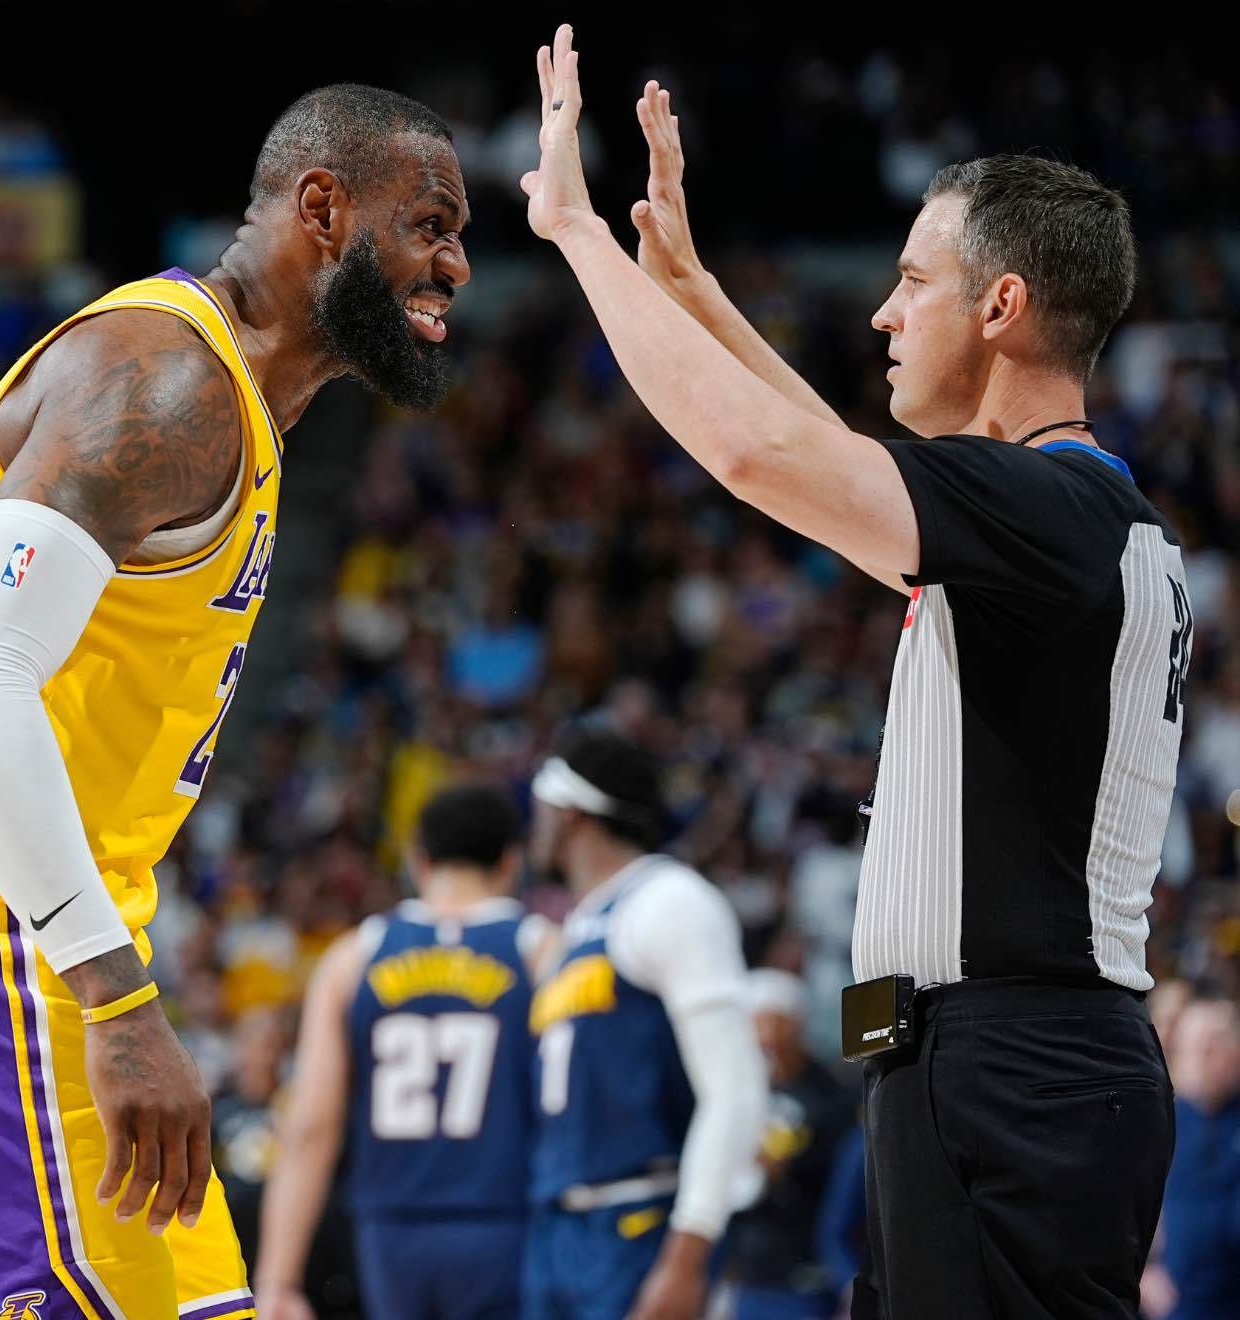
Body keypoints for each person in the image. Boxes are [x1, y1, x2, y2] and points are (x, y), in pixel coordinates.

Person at [522, 24, 1183, 1317]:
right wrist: (695, 295)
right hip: (999, 1066)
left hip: (1012, 1065)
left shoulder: (1044, 514)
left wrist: (577, 237)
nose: (883, 312)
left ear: (1002, 308)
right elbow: (825, 470)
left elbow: (764, 460)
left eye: (912, 281)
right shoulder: (1070, 525)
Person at [0, 82, 471, 1319]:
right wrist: (119, 994)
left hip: (47, 945)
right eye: (430, 223)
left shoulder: (240, 410)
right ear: (323, 207)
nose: (455, 264)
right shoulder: (165, 379)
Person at [254, 783, 547, 1319]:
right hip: (504, 1218)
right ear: (511, 861)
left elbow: (311, 1124)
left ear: (419, 859)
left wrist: (278, 1279)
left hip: (389, 1228)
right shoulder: (541, 950)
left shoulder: (352, 958)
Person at [525, 729, 767, 1320]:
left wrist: (686, 1258)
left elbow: (735, 1088)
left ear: (571, 812)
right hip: (561, 1226)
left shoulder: (669, 901)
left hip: (641, 1219)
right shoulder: (582, 924)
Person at [724, 969, 858, 1320]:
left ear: (797, 1024)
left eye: (773, 1023)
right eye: (755, 1025)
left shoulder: (831, 1096)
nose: (764, 1037)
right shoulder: (742, 1096)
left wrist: (789, 1163)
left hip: (808, 1270)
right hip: (752, 1270)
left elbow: (844, 1180)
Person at [1153, 994, 1240, 1318]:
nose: (1204, 1057)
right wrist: (1145, 1272)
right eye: (1195, 1046)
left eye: (1215, 1044)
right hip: (1179, 1305)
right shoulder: (1168, 1123)